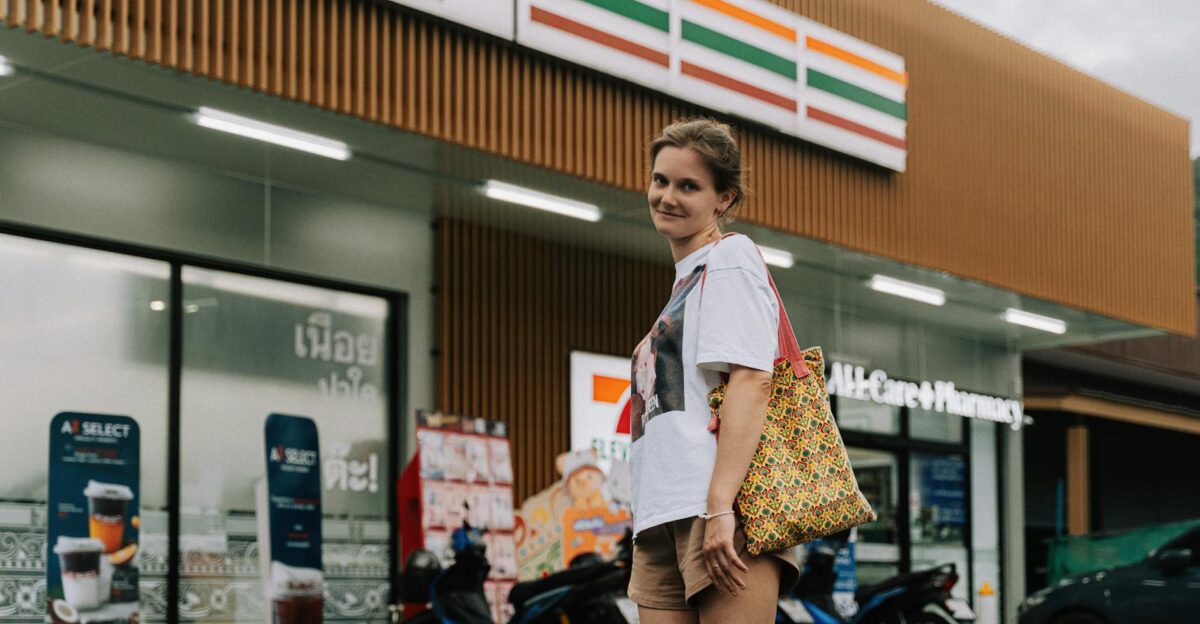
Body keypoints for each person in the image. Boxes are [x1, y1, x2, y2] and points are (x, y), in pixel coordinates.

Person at [628, 118, 799, 623]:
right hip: (661, 515)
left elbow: (753, 379)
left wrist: (721, 506)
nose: (667, 196)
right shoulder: (687, 282)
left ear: (722, 199)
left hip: (719, 509)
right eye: (661, 180)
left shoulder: (730, 259)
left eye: (689, 186)